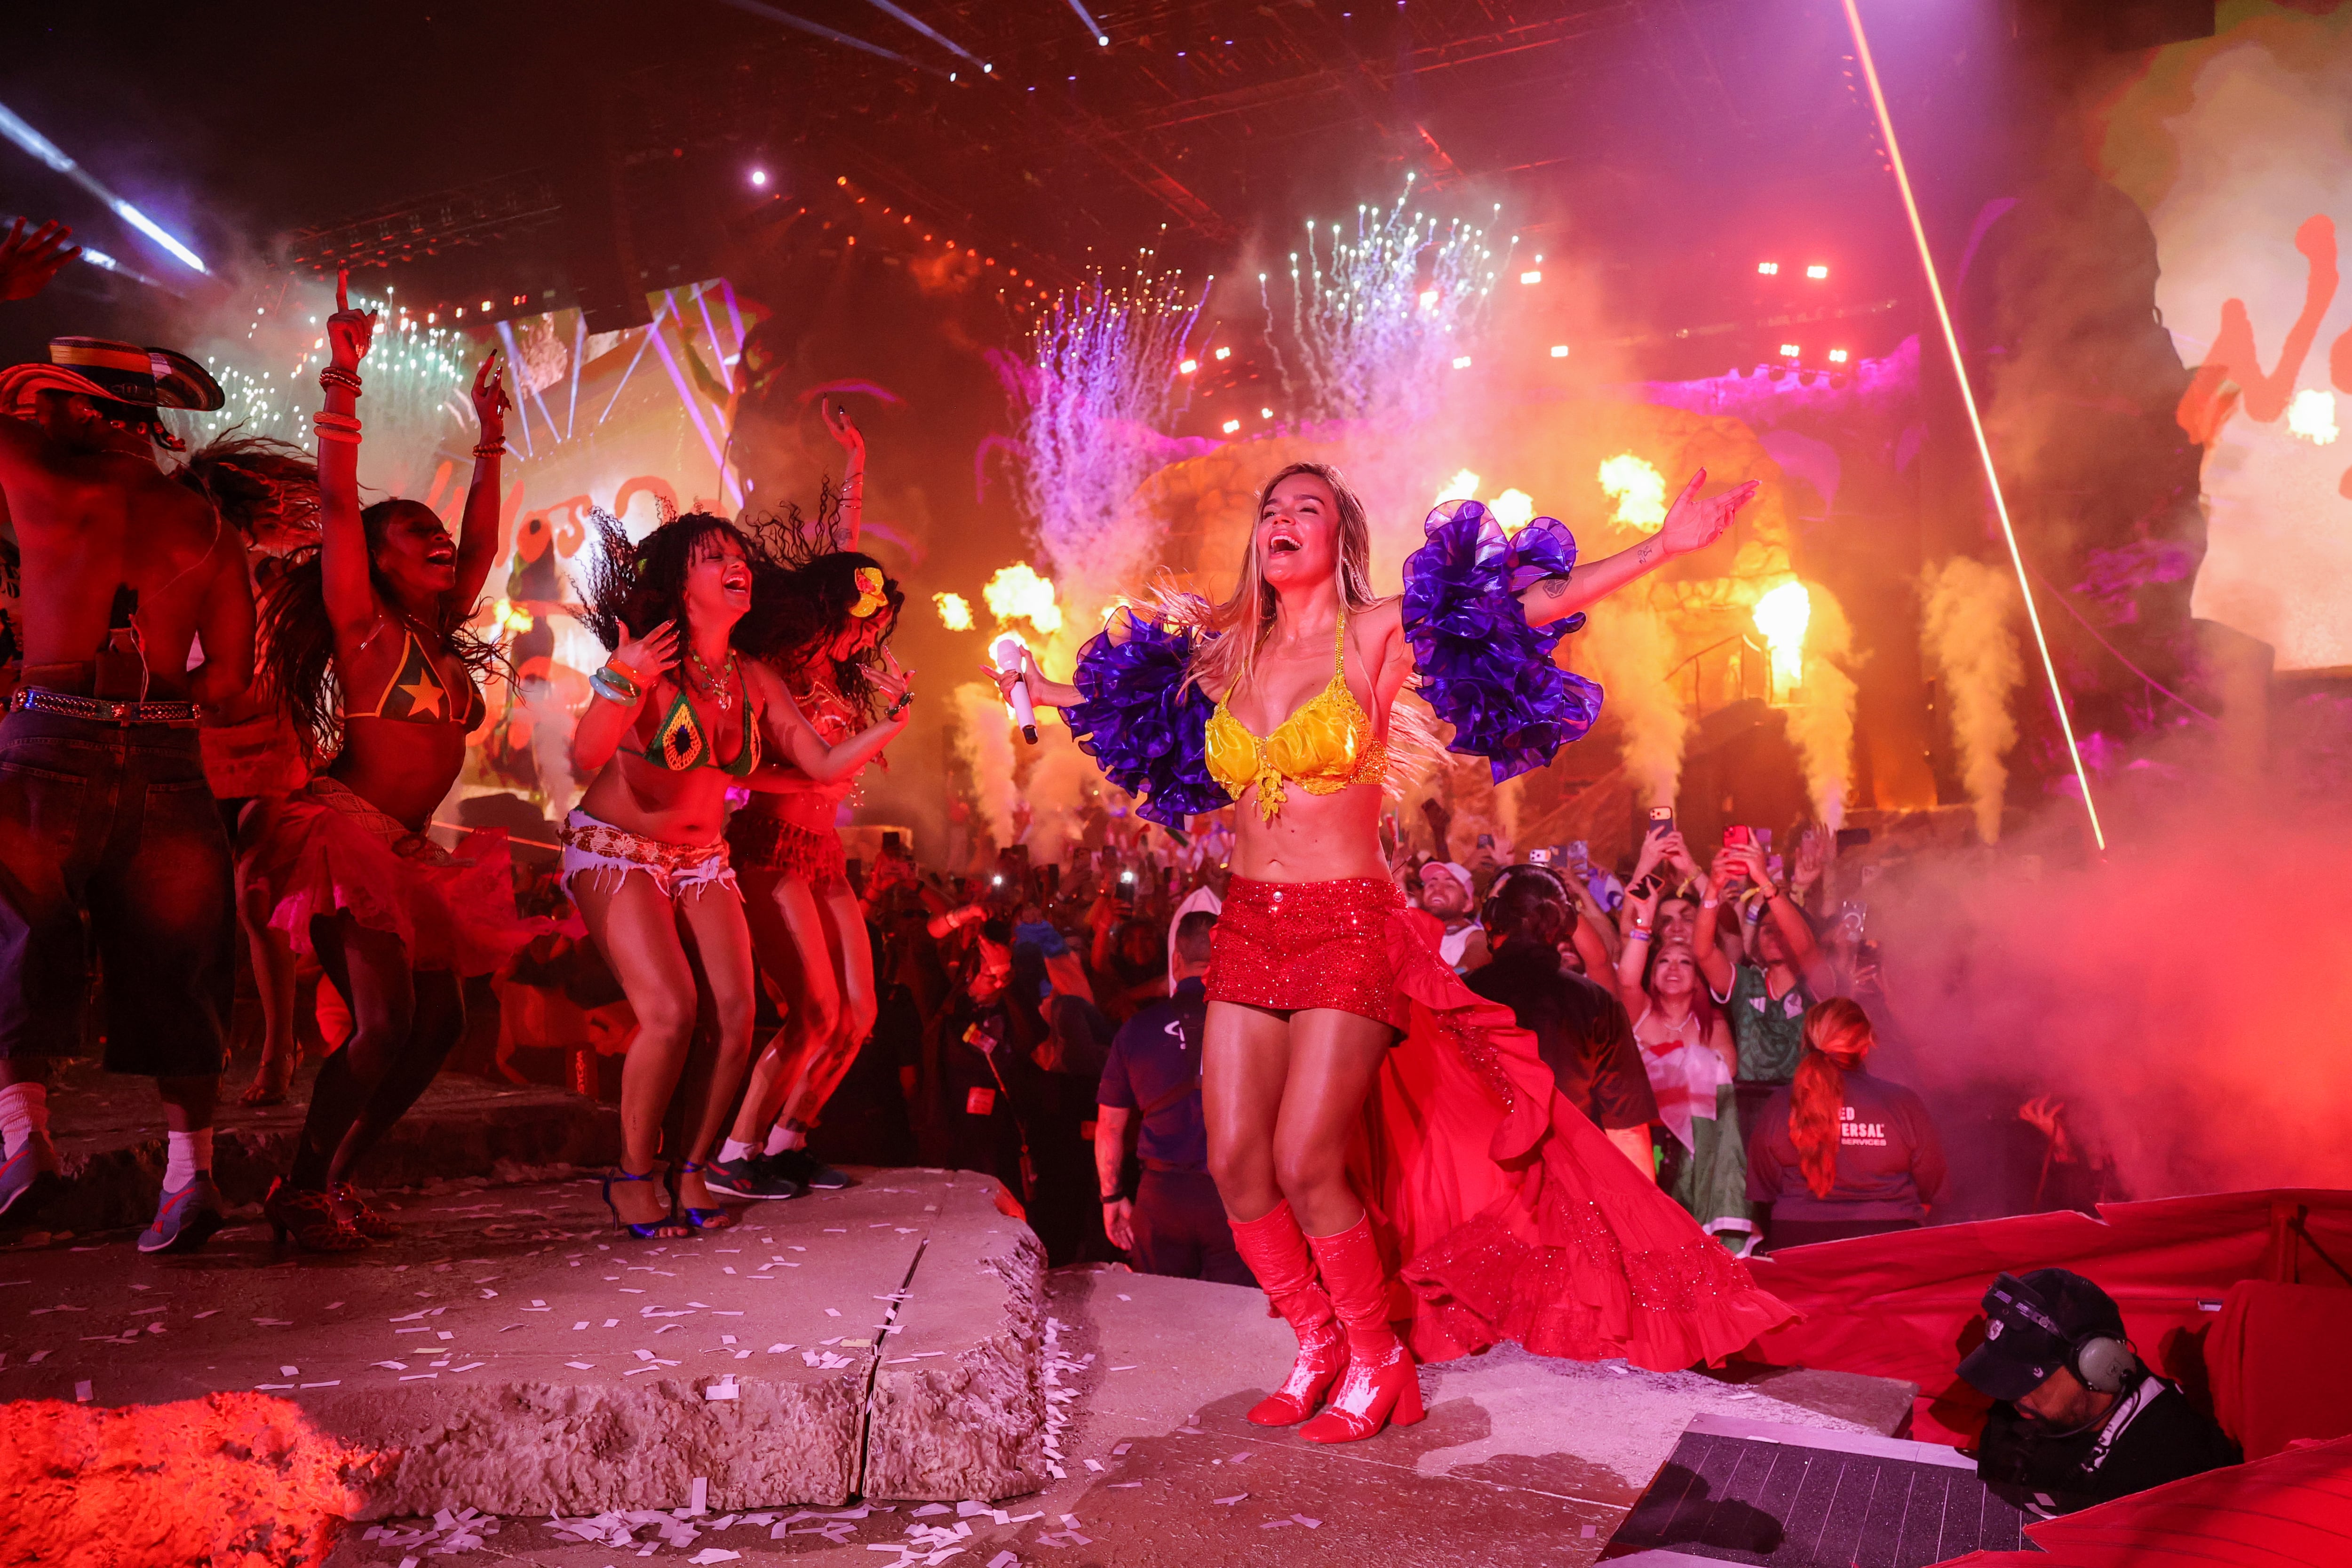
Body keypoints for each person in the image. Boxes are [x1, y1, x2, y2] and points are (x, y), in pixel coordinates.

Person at [993, 460, 1789, 1445]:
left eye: (1306, 508)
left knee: (1305, 1156)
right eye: (1270, 508)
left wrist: (1662, 548)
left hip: (1347, 923)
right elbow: (1127, 720)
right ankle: (1317, 1342)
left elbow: (1522, 606)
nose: (1282, 520)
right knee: (1239, 1164)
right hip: (1248, 925)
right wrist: (1039, 686)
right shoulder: (1228, 654)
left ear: (1340, 539)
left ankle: (1379, 1360)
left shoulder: (1373, 633)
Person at [240, 288, 544, 1250]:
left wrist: (493, 439)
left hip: (409, 853)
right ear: (376, 559)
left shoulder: (440, 638)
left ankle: (331, 1177)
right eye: (415, 529)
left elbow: (488, 539)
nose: (438, 536)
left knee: (438, 1026)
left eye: (436, 529)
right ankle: (298, 1187)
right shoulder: (366, 629)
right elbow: (336, 499)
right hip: (344, 837)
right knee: (382, 1025)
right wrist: (343, 377)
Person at [0, 220, 257, 1250]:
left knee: (16, 936)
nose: (40, 411)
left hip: (47, 741)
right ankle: (190, 1176)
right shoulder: (214, 532)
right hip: (163, 756)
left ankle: (24, 1140)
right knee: (180, 968)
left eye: (53, 400)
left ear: (91, 411)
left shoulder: (42, 480)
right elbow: (231, 686)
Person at [565, 505, 907, 1238]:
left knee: (740, 1015)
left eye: (741, 553)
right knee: (671, 1011)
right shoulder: (651, 664)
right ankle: (630, 1175)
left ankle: (693, 1167)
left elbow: (815, 765)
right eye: (714, 555)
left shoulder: (752, 678)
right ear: (681, 585)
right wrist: (624, 676)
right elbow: (584, 757)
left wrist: (893, 722)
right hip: (617, 848)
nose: (738, 563)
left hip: (702, 860)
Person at [707, 406, 909, 1201]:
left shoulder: (839, 675)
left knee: (858, 1012)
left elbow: (844, 557)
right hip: (770, 845)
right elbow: (740, 776)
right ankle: (735, 1153)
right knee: (814, 1011)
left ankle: (788, 1140)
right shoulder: (772, 669)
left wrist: (858, 461)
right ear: (833, 612)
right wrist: (820, 778)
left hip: (825, 854)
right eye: (867, 622)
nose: (873, 639)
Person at [1960, 1267, 2240, 1516]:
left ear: (2098, 1364)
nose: (2014, 1398)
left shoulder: (2178, 1470)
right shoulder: (2029, 1411)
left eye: (2029, 1380)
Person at [1465, 868, 1657, 1177]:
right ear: (1564, 925)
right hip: (1570, 1183)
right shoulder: (1596, 1001)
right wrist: (1643, 1220)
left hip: (1475, 1179)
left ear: (1492, 918)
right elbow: (1628, 1129)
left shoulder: (1460, 996)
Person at [1096, 910, 1254, 1285]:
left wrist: (1112, 1197)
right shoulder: (1254, 1025)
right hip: (1235, 1198)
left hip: (1162, 1199)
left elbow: (1110, 1127)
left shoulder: (1138, 1029)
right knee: (1235, 1326)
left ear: (1176, 960)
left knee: (1161, 1325)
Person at [1744, 998, 1945, 1249]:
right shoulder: (1903, 1102)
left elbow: (1762, 1190)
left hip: (1800, 1243)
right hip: (1890, 1240)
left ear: (1807, 1042)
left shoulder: (1781, 1103)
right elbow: (1932, 1184)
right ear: (1866, 1046)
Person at [1617, 874, 1746, 1247]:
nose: (1673, 968)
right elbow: (1626, 980)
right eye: (1663, 962)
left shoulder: (1713, 1021)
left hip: (1698, 1147)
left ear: (1697, 980)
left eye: (1685, 963)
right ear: (1653, 976)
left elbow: (1729, 1071)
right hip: (1641, 1139)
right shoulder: (1639, 1010)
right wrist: (1644, 922)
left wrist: (1667, 1062)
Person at [1694, 838, 1838, 1137]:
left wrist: (1764, 882)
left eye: (1782, 929)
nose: (1775, 935)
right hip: (1748, 1114)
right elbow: (1703, 952)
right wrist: (1712, 889)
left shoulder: (1817, 985)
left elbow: (1807, 949)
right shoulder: (1746, 982)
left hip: (1805, 1114)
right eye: (1766, 929)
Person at [1412, 860, 1486, 972]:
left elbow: (1468, 971)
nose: (1437, 889)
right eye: (1432, 885)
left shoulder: (1475, 936)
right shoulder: (1414, 931)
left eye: (1449, 886)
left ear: (1467, 904)